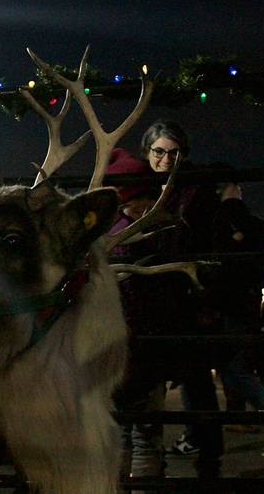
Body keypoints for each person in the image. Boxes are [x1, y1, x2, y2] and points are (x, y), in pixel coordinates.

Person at [129, 120, 224, 478]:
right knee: (147, 385)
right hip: (149, 299)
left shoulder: (196, 192)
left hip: (185, 297)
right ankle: (150, 464)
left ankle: (209, 460)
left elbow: (205, 243)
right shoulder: (135, 188)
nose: (166, 159)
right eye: (159, 152)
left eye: (174, 152)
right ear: (147, 152)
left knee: (197, 383)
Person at [207, 167, 264, 456]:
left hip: (224, 309)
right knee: (234, 372)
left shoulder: (212, 221)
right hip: (246, 305)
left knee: (233, 372)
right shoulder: (251, 222)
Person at [106, 148, 167, 484]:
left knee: (120, 435)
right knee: (145, 436)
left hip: (113, 349)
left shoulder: (105, 233)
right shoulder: (144, 233)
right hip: (142, 347)